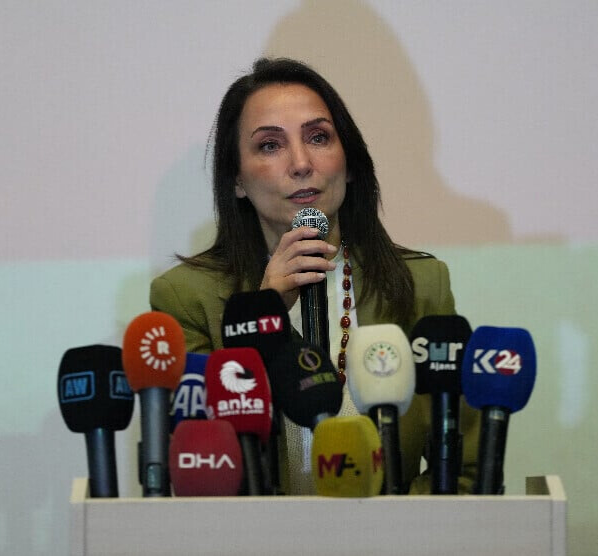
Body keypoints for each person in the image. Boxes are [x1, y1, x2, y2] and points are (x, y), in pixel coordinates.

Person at [150, 57, 478, 494]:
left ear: (351, 163)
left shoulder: (421, 285)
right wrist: (263, 314)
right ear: (237, 180)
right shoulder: (186, 297)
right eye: (270, 145)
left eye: (318, 137)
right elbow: (198, 467)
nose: (301, 163)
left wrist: (385, 524)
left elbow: (464, 470)